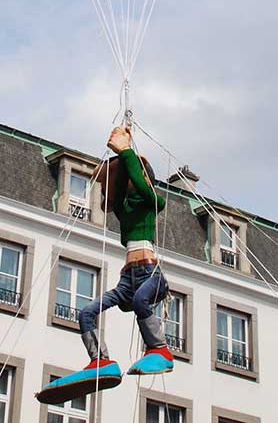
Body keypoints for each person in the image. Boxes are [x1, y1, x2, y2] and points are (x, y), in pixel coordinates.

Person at [77, 125, 174, 377]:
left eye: (136, 174)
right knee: (87, 313)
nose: (131, 178)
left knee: (143, 301)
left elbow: (142, 185)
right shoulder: (124, 209)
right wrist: (121, 156)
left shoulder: (153, 201)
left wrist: (127, 151)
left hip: (150, 272)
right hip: (127, 278)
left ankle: (159, 350)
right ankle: (99, 360)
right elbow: (118, 192)